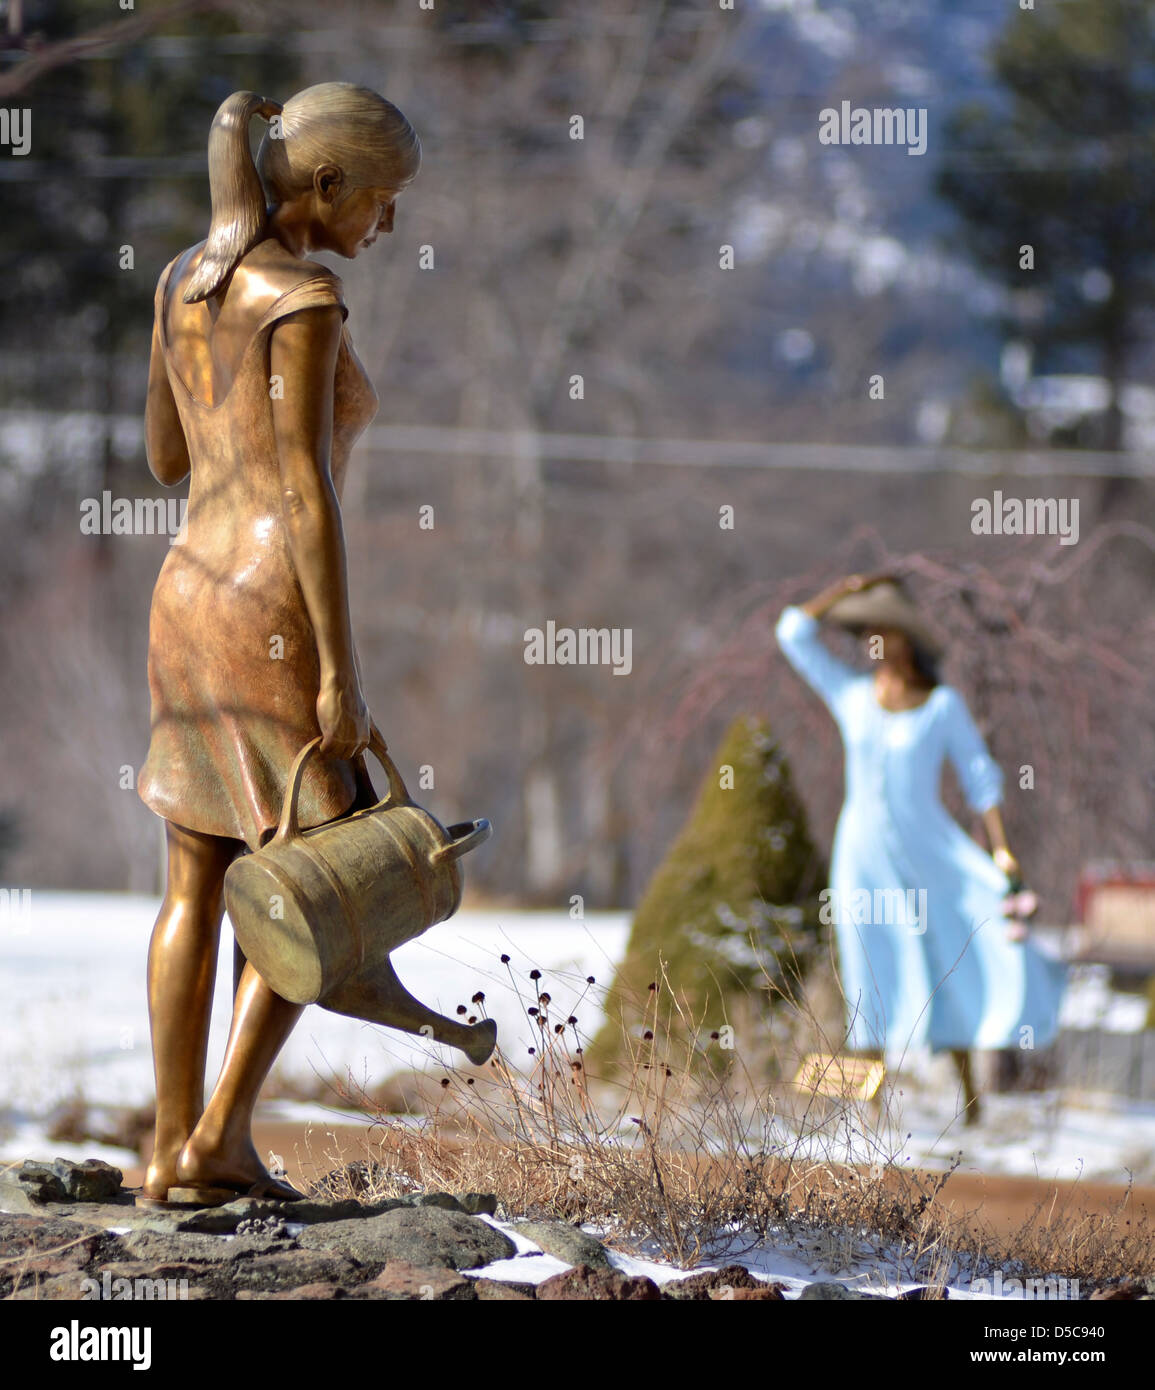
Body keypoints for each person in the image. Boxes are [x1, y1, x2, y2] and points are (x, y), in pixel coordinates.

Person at [137, 84, 420, 1203]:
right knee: (327, 879)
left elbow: (164, 453)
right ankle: (218, 1139)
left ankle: (167, 1147)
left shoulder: (179, 280)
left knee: (193, 878)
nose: (387, 226)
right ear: (328, 185)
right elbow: (304, 492)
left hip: (181, 592)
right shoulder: (303, 296)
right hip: (266, 610)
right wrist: (341, 672)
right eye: (384, 201)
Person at [775, 573, 1066, 1125]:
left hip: (928, 852)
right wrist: (843, 590)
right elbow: (792, 633)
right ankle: (869, 1112)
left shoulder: (941, 707)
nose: (874, 644)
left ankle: (969, 1097)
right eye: (867, 634)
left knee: (945, 957)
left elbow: (981, 777)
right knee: (867, 968)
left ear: (907, 639)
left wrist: (1002, 850)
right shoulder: (852, 697)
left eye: (884, 632)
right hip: (860, 855)